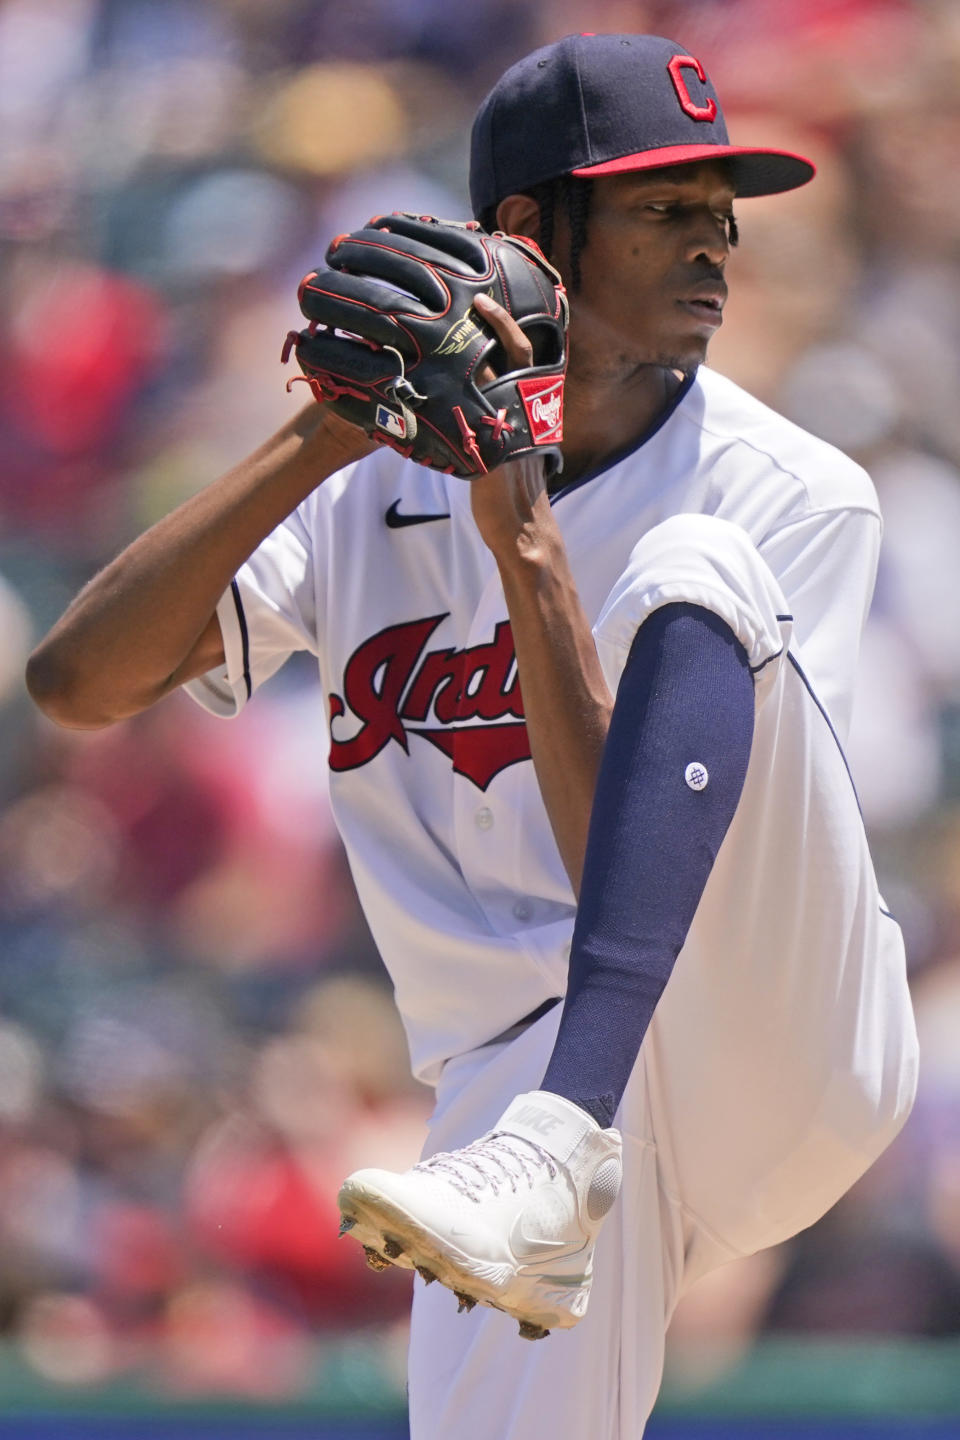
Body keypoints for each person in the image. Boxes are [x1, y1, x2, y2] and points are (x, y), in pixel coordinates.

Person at [27, 32, 917, 1440]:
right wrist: (323, 432)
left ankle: (560, 1144)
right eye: (662, 208)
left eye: (720, 215)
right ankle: (554, 1156)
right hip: (526, 1092)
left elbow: (618, 865)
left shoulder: (790, 485)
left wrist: (527, 539)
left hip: (768, 1040)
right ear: (528, 240)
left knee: (696, 568)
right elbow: (78, 684)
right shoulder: (362, 494)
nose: (714, 246)